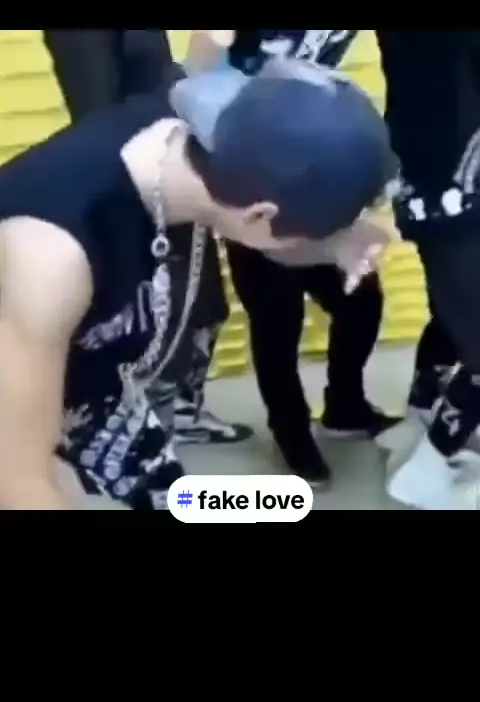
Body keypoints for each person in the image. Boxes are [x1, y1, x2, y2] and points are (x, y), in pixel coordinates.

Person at [0, 57, 395, 510]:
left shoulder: (193, 137)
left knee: (184, 501)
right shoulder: (50, 257)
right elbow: (19, 484)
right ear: (258, 216)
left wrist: (336, 240)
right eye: (314, 235)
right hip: (24, 382)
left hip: (94, 378)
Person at [187, 30, 399, 488]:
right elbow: (196, 82)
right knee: (277, 320)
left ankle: (345, 407)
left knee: (361, 301)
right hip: (252, 174)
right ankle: (291, 432)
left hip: (317, 167)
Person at [43, 30, 250, 446]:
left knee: (205, 305)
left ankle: (183, 411)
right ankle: (142, 427)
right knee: (161, 314)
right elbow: (100, 120)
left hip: (174, 165)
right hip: (140, 186)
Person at [375, 30, 480, 509]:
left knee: (458, 327)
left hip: (437, 186)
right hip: (452, 191)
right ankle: (427, 467)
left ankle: (426, 440)